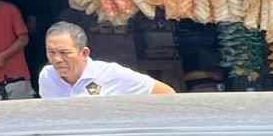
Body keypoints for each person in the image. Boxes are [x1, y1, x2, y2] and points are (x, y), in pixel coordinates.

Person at [38, 22, 175, 96]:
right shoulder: (47, 77)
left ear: (84, 53)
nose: (57, 59)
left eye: (64, 53)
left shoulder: (112, 73)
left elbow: (166, 93)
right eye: (51, 52)